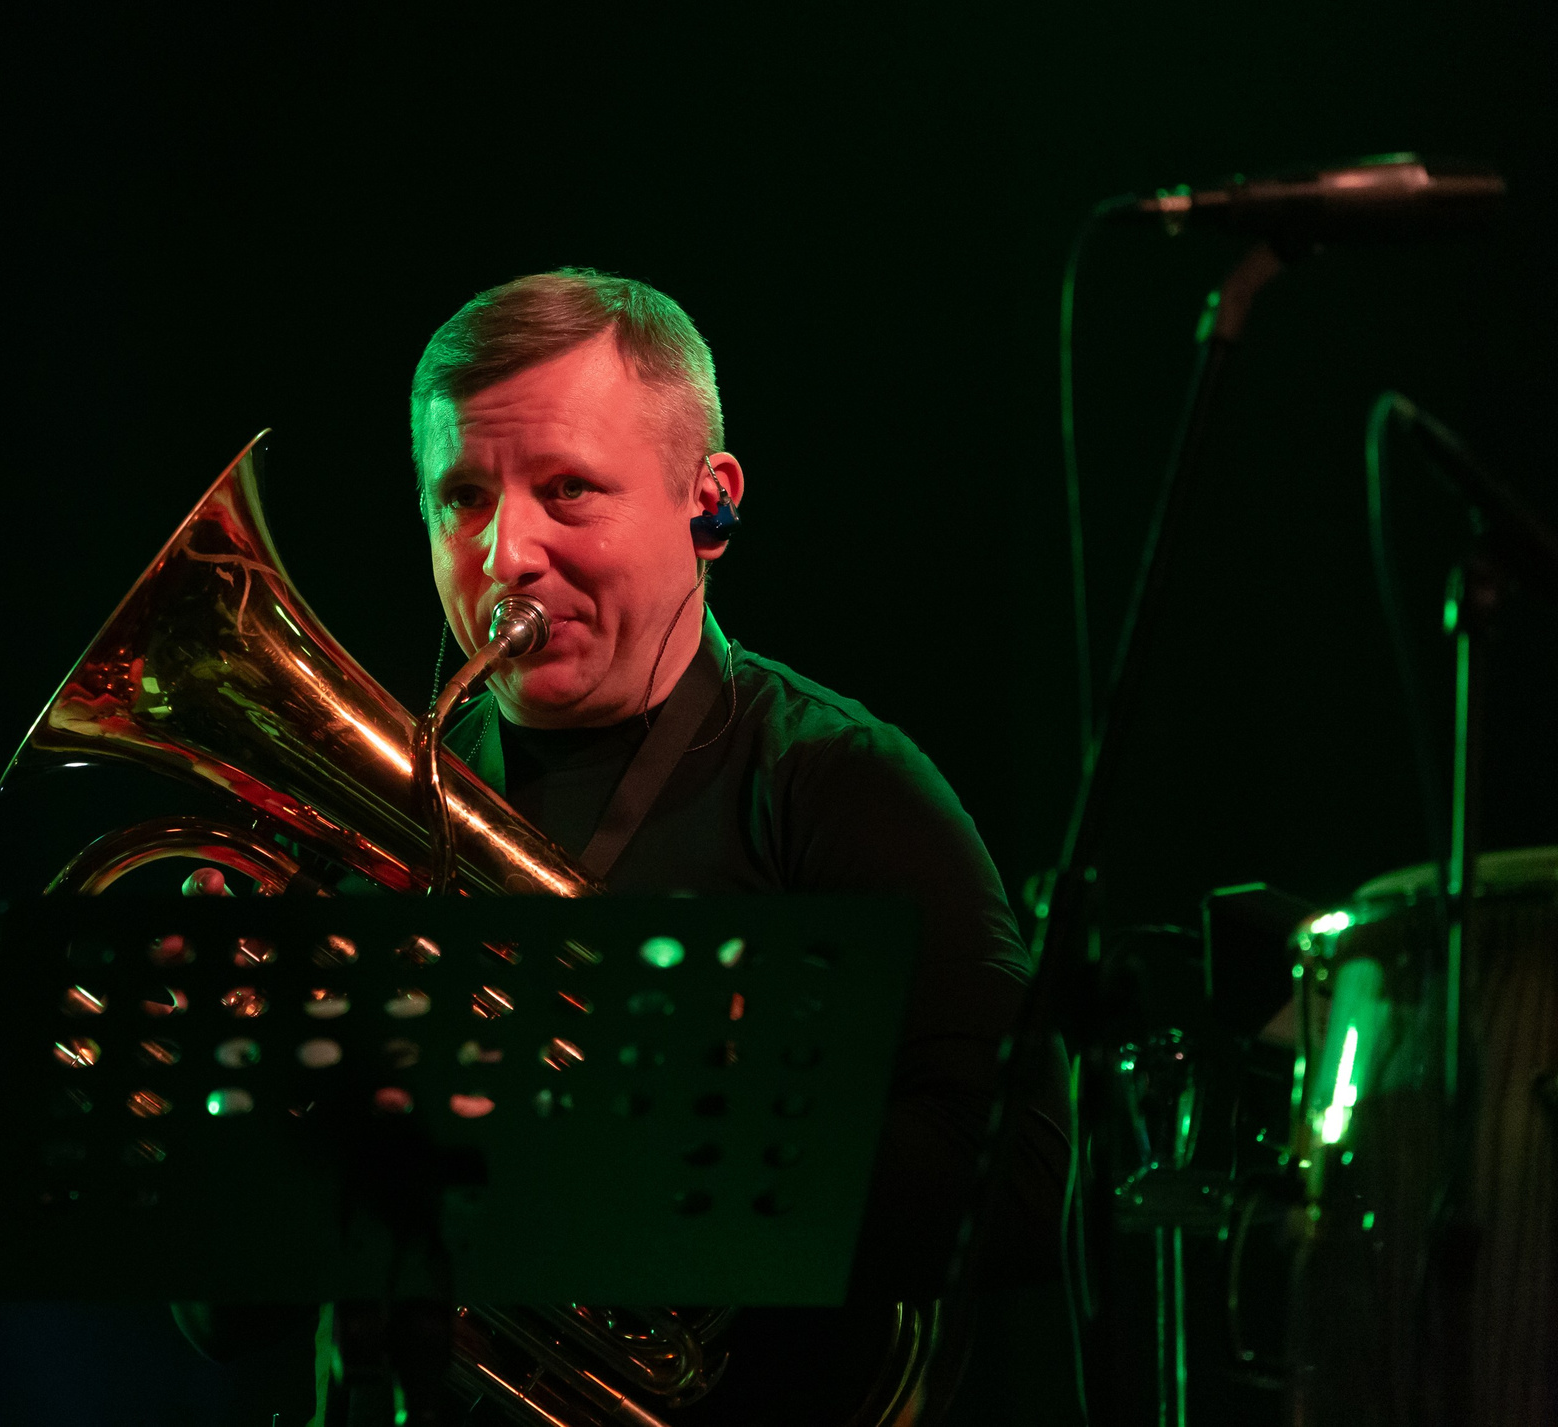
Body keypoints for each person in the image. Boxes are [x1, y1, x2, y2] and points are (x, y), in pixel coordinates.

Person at [185, 269, 1070, 1425]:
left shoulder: (837, 784)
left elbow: (1013, 1187)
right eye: (461, 499)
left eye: (567, 490)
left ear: (709, 505)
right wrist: (232, 1094)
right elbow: (226, 1321)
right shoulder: (367, 832)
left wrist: (597, 1119)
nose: (505, 552)